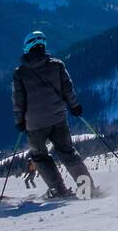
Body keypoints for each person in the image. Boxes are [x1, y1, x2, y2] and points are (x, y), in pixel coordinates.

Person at [12, 30, 93, 198]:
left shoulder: (20, 73)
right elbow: (68, 89)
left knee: (40, 157)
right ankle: (87, 189)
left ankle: (58, 190)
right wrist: (75, 106)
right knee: (67, 152)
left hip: (34, 125)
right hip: (58, 119)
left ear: (27, 47)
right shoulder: (57, 65)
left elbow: (18, 100)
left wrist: (19, 121)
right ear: (43, 45)